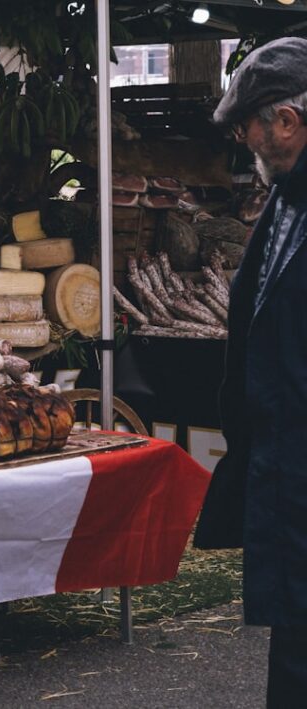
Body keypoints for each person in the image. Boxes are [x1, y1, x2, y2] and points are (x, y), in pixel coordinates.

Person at [195, 36, 307, 707]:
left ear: (288, 121)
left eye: (249, 128)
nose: (246, 143)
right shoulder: (288, 198)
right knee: (295, 640)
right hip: (287, 467)